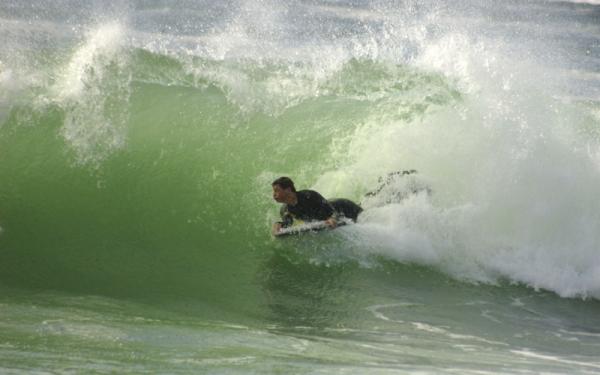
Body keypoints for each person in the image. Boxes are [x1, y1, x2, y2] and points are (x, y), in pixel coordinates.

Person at [271, 176, 362, 235]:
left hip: (346, 207)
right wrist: (279, 224)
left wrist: (333, 218)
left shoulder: (309, 196)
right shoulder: (286, 210)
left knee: (366, 216)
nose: (274, 194)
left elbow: (333, 211)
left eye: (276, 191)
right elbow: (288, 224)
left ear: (288, 189)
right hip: (338, 213)